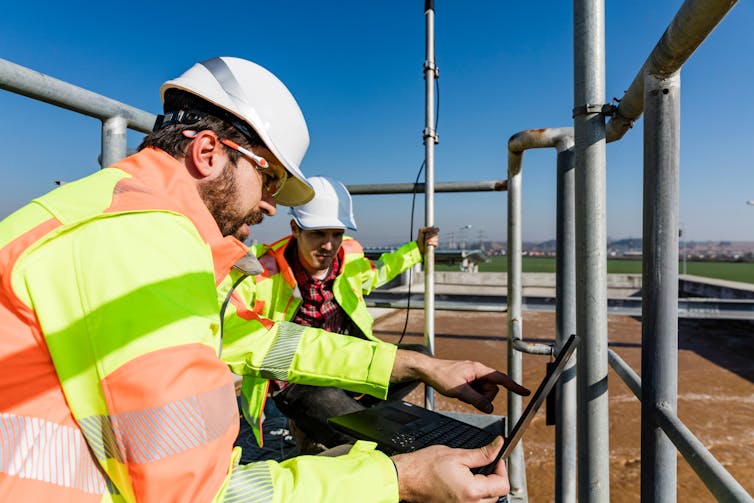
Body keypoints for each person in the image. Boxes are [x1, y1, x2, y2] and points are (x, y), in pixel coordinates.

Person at [0, 56, 527, 502]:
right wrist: (396, 479)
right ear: (208, 153)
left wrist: (420, 364)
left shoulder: (115, 218)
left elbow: (263, 341)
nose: (271, 205)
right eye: (269, 177)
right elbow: (196, 492)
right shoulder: (140, 241)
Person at [236, 175, 439, 452]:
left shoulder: (350, 256)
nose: (329, 245)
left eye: (336, 233)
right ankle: (345, 430)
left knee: (420, 359)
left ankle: (334, 420)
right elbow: (233, 322)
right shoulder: (263, 271)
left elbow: (376, 274)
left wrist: (415, 250)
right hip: (298, 380)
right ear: (295, 228)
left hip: (346, 364)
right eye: (318, 233)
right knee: (356, 429)